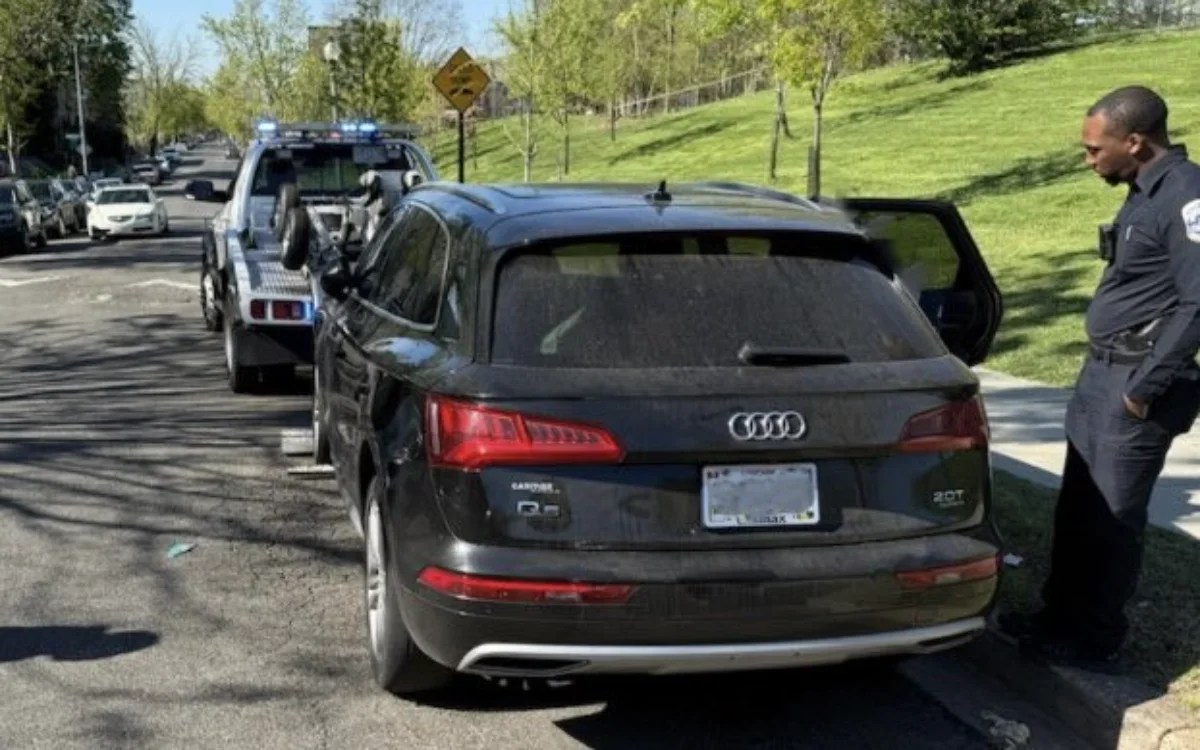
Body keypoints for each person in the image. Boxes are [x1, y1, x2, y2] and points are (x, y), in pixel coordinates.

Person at [1000, 86, 1200, 672]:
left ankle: (1095, 638)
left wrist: (1144, 389)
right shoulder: (1142, 190)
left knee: (1112, 522)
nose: (1088, 160)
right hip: (1100, 375)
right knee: (1078, 511)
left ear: (1133, 141)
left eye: (1094, 149)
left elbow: (1198, 304)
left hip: (1134, 384)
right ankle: (1056, 618)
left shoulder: (1186, 196)